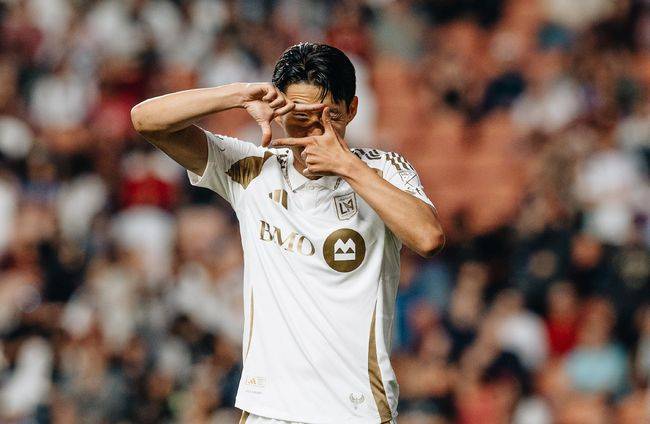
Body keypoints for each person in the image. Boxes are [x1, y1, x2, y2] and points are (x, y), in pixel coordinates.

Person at [131, 42, 444, 424]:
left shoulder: (383, 170)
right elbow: (145, 120)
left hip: (355, 410)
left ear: (352, 110)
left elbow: (428, 237)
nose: (312, 130)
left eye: (327, 116)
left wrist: (346, 166)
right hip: (269, 410)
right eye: (299, 115)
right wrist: (238, 95)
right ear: (279, 111)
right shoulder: (252, 169)